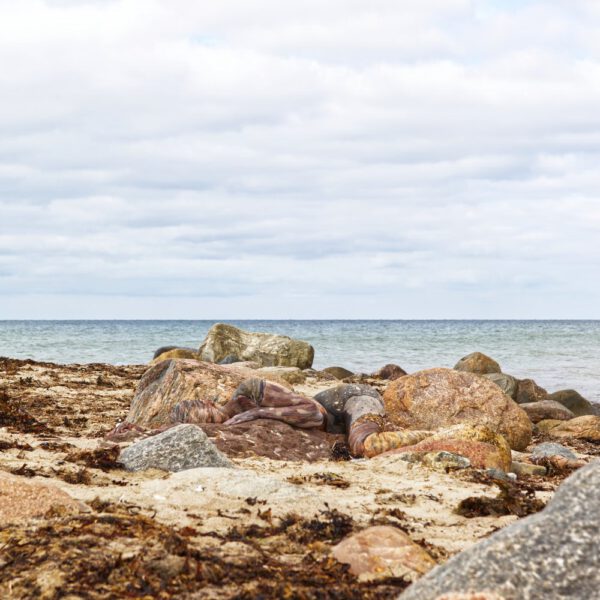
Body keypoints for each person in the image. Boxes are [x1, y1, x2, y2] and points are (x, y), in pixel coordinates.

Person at [170, 378, 428, 457]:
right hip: (337, 416)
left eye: (197, 415)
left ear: (206, 403)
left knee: (365, 445)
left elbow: (313, 413)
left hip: (352, 399)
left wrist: (261, 411)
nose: (202, 423)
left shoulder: (250, 392)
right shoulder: (236, 422)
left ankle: (436, 437)